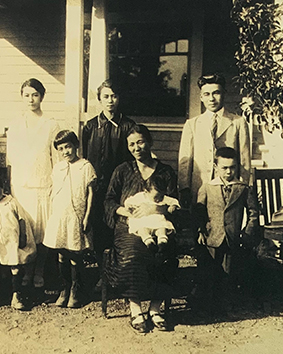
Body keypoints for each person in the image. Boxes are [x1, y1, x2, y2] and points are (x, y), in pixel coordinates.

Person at [104, 124, 178, 334]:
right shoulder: (122, 170)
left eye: (140, 142)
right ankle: (135, 308)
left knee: (164, 252)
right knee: (133, 252)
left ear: (150, 142)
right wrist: (127, 213)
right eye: (131, 144)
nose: (136, 147)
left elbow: (175, 203)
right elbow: (109, 200)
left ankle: (155, 308)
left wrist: (155, 208)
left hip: (159, 224)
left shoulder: (165, 172)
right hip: (129, 226)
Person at [7, 78, 60, 288]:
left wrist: (54, 187)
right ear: (22, 97)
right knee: (25, 231)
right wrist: (12, 186)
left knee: (42, 232)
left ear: (42, 96)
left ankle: (39, 272)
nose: (31, 99)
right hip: (21, 186)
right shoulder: (15, 125)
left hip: (43, 184)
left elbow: (56, 159)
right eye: (27, 95)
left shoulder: (51, 125)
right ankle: (27, 273)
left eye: (35, 95)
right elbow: (10, 159)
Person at [195, 147, 259, 311]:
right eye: (224, 167)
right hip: (212, 237)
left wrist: (247, 233)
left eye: (232, 167)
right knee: (210, 271)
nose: (229, 171)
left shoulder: (243, 188)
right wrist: (200, 230)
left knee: (229, 272)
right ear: (216, 167)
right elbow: (199, 211)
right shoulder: (207, 187)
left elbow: (253, 213)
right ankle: (207, 306)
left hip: (232, 238)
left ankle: (226, 305)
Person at [82, 79, 136, 272]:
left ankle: (120, 271)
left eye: (114, 96)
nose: (110, 100)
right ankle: (102, 273)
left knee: (118, 228)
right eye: (106, 96)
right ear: (99, 100)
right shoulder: (90, 127)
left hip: (122, 188)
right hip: (98, 188)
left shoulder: (128, 126)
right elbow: (85, 159)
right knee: (99, 228)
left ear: (119, 98)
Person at [178, 73, 251, 207]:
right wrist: (184, 188)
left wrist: (243, 188)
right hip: (199, 187)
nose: (211, 99)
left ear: (224, 94)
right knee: (200, 224)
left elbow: (244, 159)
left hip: (228, 188)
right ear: (201, 97)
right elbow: (185, 161)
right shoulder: (192, 124)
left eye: (216, 93)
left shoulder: (237, 122)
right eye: (206, 94)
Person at [43, 130, 96, 308]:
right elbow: (53, 191)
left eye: (68, 147)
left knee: (75, 252)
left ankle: (75, 289)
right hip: (60, 213)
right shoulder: (58, 167)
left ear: (76, 146)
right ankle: (63, 289)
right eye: (61, 148)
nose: (65, 151)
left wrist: (87, 216)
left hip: (77, 214)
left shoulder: (85, 166)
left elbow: (90, 194)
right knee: (61, 252)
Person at [0, 171, 36, 310]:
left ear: (2, 188)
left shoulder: (11, 202)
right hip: (0, 242)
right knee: (2, 267)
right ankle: (4, 294)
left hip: (13, 240)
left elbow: (22, 219)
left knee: (15, 265)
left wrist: (23, 236)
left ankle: (17, 295)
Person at [124, 174, 180, 252]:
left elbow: (174, 201)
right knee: (141, 229)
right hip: (142, 220)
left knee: (162, 227)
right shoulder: (140, 197)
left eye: (161, 196)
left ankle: (162, 241)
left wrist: (173, 206)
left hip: (156, 220)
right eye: (156, 197)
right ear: (146, 192)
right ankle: (149, 242)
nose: (159, 199)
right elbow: (128, 201)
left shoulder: (163, 198)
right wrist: (129, 206)